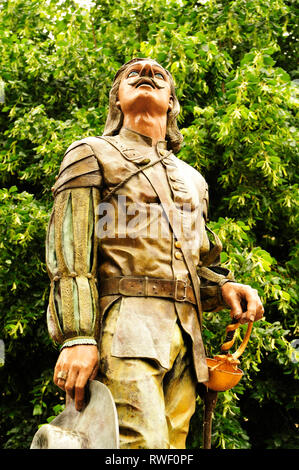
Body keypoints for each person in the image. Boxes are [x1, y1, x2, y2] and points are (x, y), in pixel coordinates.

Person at [46, 58, 264, 449]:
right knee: (136, 445)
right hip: (125, 326)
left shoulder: (193, 179)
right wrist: (77, 336)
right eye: (132, 73)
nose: (146, 71)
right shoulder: (90, 153)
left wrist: (225, 288)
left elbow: (194, 261)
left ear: (172, 102)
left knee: (171, 449)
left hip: (186, 337)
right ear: (116, 101)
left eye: (158, 75)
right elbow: (70, 256)